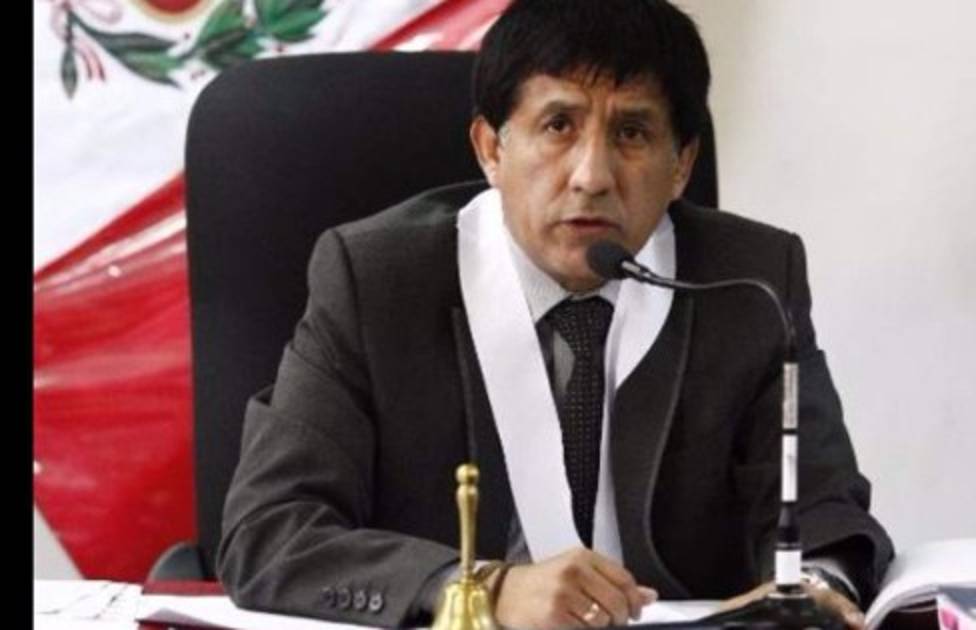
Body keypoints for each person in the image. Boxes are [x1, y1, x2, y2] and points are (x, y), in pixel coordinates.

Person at [217, 1, 893, 628]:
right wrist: (480, 588)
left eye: (632, 132)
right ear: (491, 148)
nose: (591, 175)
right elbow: (270, 532)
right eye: (558, 126)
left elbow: (823, 510)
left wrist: (807, 587)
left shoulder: (749, 282)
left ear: (682, 165)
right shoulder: (377, 280)